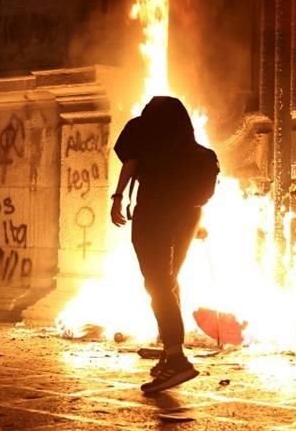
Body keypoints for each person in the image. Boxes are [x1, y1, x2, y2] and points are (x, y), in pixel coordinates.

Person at [109, 96, 219, 393]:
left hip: (154, 212)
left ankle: (176, 358)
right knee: (168, 282)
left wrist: (118, 198)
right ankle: (170, 352)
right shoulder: (195, 151)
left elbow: (130, 163)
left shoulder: (143, 131)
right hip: (187, 217)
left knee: (156, 282)